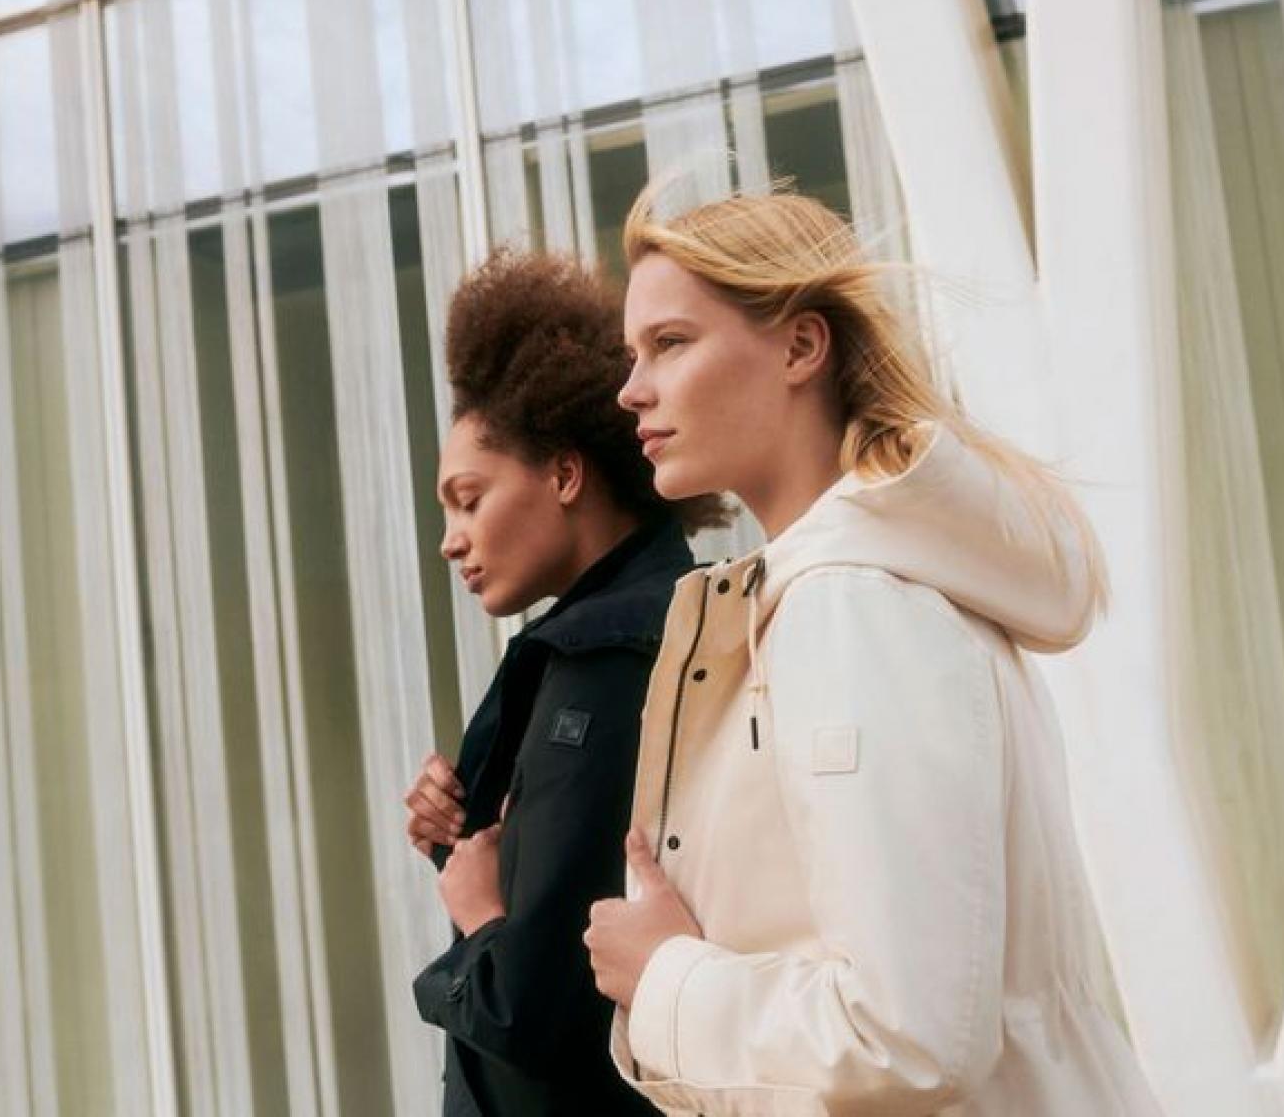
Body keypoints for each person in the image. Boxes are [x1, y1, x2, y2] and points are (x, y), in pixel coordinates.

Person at [583, 183, 1163, 1115]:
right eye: (632, 354)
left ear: (800, 348)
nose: (632, 390)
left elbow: (906, 1036)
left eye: (672, 343)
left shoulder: (851, 607)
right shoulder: (871, 586)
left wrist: (664, 978)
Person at [407, 249, 723, 1117]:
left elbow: (533, 1007)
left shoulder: (603, 657)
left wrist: (477, 910)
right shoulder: (666, 620)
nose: (450, 539)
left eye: (468, 498)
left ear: (563, 474)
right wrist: (461, 834)